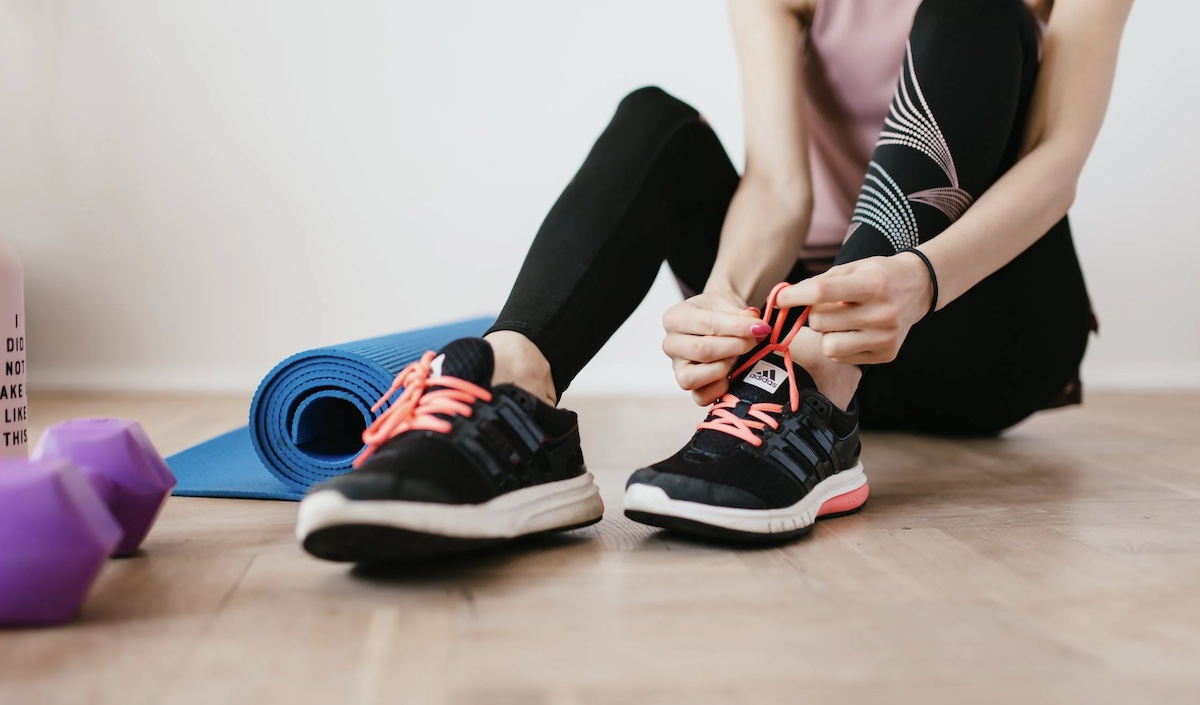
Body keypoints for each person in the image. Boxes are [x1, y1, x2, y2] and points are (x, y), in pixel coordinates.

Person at [295, 0, 1134, 561]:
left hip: (974, 313)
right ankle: (515, 394)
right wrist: (726, 296)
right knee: (654, 123)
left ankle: (814, 389)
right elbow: (778, 181)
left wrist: (916, 278)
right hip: (799, 316)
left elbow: (1058, 160)